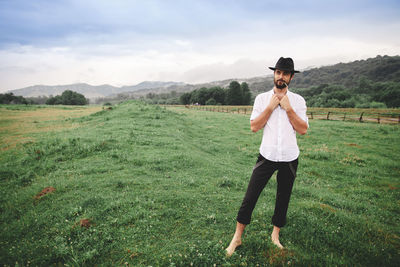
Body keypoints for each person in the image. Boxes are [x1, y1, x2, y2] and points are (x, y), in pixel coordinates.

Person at [225, 57, 308, 256]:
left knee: (283, 197)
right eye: (278, 72)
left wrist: (288, 108)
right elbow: (254, 127)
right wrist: (270, 107)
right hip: (267, 155)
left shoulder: (298, 101)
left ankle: (275, 235)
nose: (281, 76)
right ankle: (237, 238)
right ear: (274, 74)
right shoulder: (262, 99)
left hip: (289, 156)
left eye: (285, 73)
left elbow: (303, 129)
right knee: (250, 196)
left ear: (291, 77)